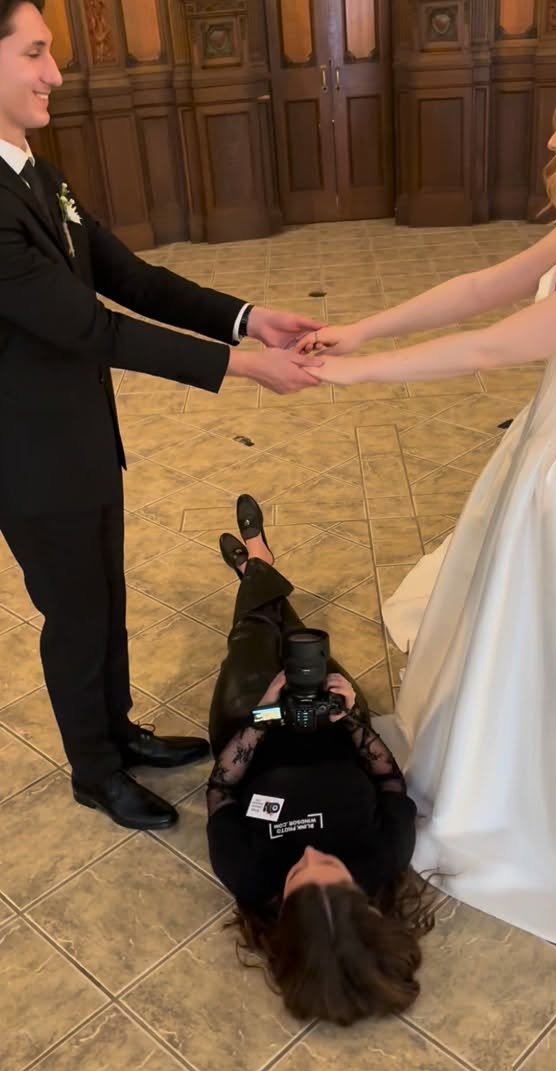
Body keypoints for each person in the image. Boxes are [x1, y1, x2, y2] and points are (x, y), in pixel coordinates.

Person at [300, 62, 556, 957]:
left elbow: (493, 347)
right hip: (544, 447)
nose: (552, 140)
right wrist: (363, 328)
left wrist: (355, 376)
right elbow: (481, 289)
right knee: (510, 623)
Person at [0, 0, 321, 831]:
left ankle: (117, 733)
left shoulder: (37, 173)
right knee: (76, 617)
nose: (55, 73)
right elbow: (92, 328)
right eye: (35, 52)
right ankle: (94, 770)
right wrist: (242, 368)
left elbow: (132, 279)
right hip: (27, 455)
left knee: (104, 597)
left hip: (80, 439)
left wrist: (247, 318)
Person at [206, 494, 435, 1025]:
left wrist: (265, 713)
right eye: (330, 868)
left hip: (253, 730)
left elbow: (221, 789)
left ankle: (256, 570)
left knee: (250, 641)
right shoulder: (385, 856)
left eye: (297, 877)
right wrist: (350, 716)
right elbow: (388, 781)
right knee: (302, 646)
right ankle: (257, 567)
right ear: (365, 902)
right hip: (332, 721)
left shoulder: (247, 873)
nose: (309, 854)